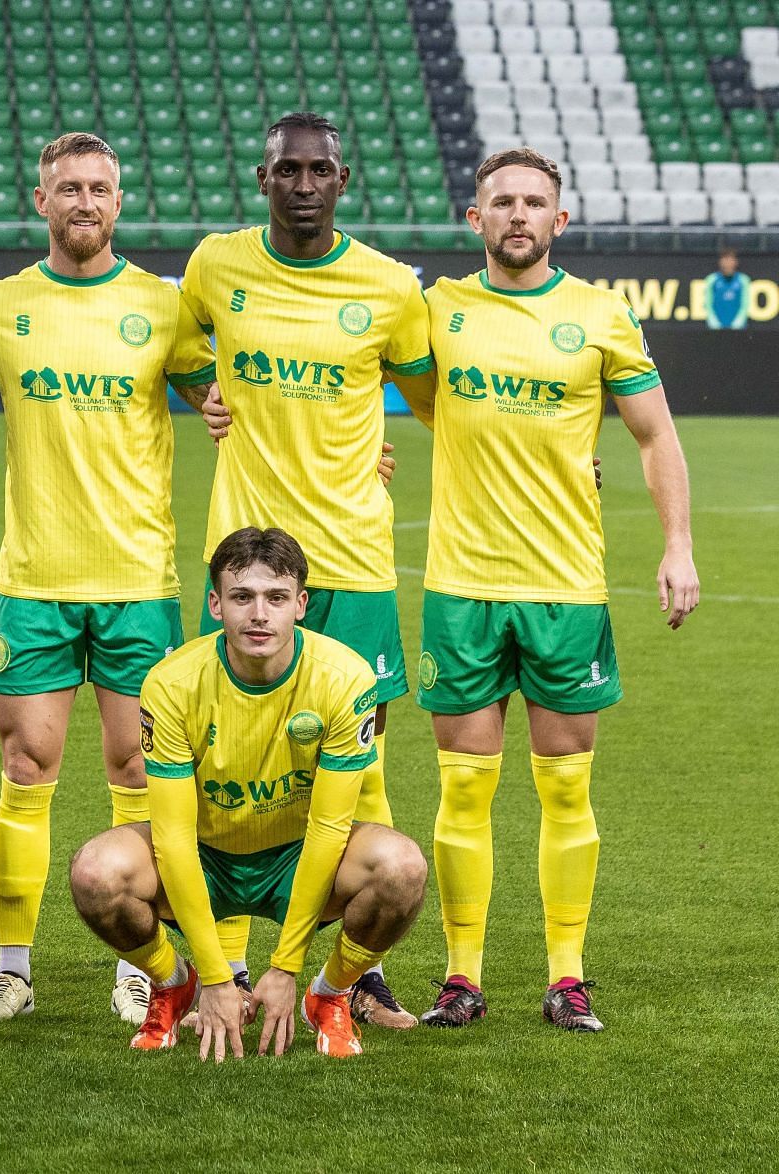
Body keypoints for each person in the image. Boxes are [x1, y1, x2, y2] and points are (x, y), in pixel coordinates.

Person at [414, 148, 699, 1032]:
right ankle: (461, 976)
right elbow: (399, 394)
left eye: (535, 203)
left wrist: (678, 544)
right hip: (460, 584)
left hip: (566, 586)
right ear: (475, 219)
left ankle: (566, 976)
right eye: (502, 202)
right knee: (463, 790)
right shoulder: (437, 310)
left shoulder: (601, 314)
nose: (518, 216)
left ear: (559, 221)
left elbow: (653, 438)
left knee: (566, 789)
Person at [177, 111, 432, 1028]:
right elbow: (172, 353)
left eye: (319, 170)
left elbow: (434, 395)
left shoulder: (393, 287)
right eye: (288, 170)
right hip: (246, 559)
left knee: (358, 762)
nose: (304, 184)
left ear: (344, 178)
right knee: (225, 754)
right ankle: (231, 969)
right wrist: (203, 393)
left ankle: (351, 976)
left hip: (354, 558)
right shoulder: (217, 265)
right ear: (263, 177)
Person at [0, 132, 216, 1026]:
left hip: (138, 578)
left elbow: (233, 399)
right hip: (34, 578)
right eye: (67, 188)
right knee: (25, 766)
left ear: (119, 200)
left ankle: (141, 962)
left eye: (99, 188)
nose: (83, 202)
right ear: (42, 201)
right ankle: (13, 968)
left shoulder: (165, 305)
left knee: (140, 766)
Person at [68, 527, 427, 1061]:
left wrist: (285, 967)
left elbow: (329, 831)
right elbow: (171, 836)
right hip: (207, 856)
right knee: (96, 873)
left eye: (276, 598)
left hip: (299, 856)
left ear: (300, 605)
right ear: (215, 604)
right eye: (242, 597)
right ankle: (173, 983)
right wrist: (215, 977)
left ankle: (328, 995)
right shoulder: (171, 684)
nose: (259, 614)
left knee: (402, 868)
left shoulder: (346, 678)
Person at [704, 248, 749, 330]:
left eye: (730, 260)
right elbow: (708, 305)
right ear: (720, 262)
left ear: (735, 262)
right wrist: (715, 325)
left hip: (738, 330)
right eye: (725, 260)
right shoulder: (711, 280)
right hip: (715, 330)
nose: (728, 264)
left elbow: (745, 305)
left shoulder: (743, 280)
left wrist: (736, 326)